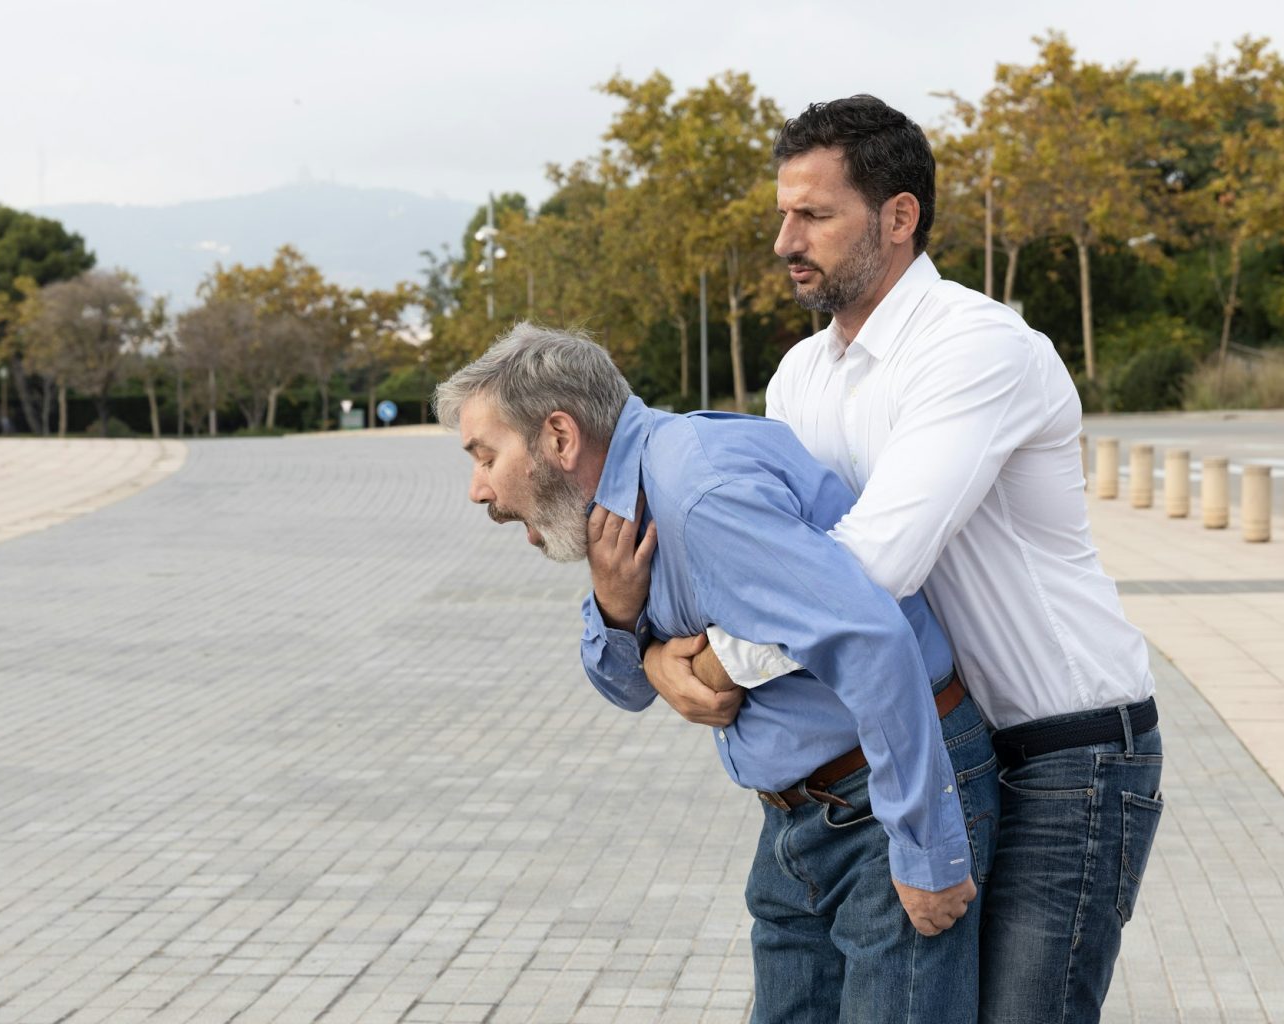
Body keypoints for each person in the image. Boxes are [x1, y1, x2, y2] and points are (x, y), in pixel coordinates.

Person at [611, 95, 1165, 1023]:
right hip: (940, 748)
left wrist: (704, 666)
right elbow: (764, 564)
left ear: (898, 216)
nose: (786, 240)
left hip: (1065, 751)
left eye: (815, 215)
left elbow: (869, 570)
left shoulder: (974, 348)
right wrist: (652, 649)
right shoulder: (800, 375)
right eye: (783, 214)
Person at [435, 323, 999, 1024]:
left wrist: (926, 850)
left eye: (486, 457)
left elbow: (872, 640)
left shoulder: (698, 492)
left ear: (559, 437)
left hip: (885, 803)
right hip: (800, 820)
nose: (477, 489)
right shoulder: (626, 504)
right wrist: (617, 611)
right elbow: (625, 689)